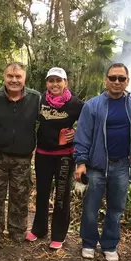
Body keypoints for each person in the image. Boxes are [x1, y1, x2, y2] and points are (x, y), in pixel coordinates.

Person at [74, 63, 131, 261]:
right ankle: (88, 243)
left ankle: (110, 244)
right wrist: (81, 162)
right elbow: (83, 134)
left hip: (121, 165)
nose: (117, 82)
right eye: (113, 78)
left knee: (116, 208)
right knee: (90, 207)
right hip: (96, 166)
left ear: (127, 81)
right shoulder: (93, 105)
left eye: (121, 78)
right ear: (106, 80)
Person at [25, 67, 84, 249]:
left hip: (65, 157)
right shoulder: (39, 101)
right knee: (41, 193)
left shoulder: (76, 104)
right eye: (51, 80)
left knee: (61, 195)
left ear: (65, 83)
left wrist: (76, 132)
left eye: (59, 80)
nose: (55, 84)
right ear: (47, 83)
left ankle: (58, 234)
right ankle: (39, 229)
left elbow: (88, 125)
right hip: (42, 154)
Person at [0, 62, 41, 244]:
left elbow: (46, 125)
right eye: (10, 76)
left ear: (25, 78)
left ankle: (17, 229)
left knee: (21, 194)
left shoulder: (35, 98)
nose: (14, 80)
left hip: (23, 156)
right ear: (4, 77)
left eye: (18, 77)